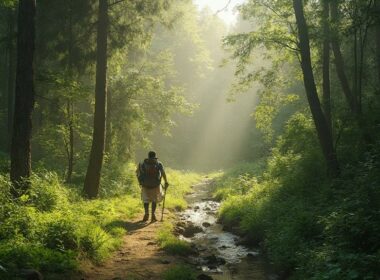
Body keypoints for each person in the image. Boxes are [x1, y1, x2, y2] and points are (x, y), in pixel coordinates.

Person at [136, 151, 169, 222]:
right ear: (155, 156)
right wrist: (166, 181)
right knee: (154, 200)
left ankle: (146, 213)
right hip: (155, 185)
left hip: (145, 185)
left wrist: (140, 182)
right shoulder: (158, 163)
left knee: (145, 200)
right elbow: (163, 173)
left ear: (148, 156)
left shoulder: (142, 163)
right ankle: (153, 214)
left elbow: (138, 173)